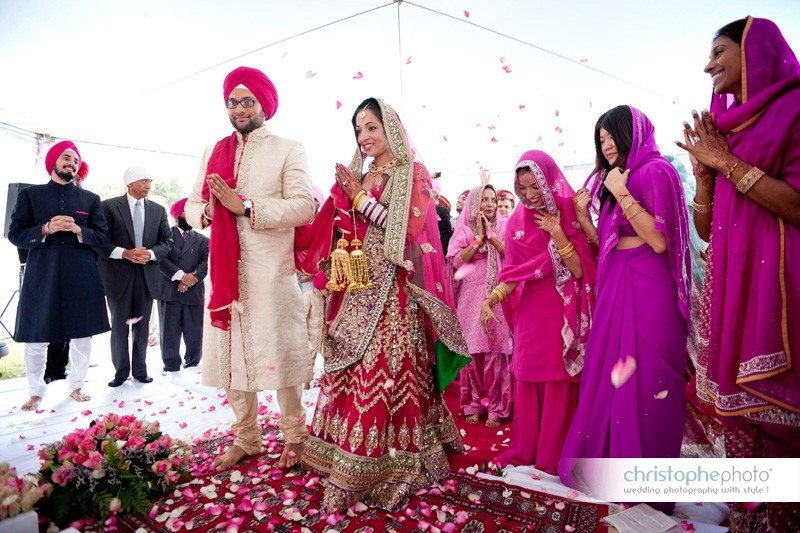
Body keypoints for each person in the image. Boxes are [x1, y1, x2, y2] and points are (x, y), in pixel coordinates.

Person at [295, 97, 468, 511]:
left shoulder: (413, 174)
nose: (364, 137)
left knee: (385, 366)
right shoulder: (362, 174)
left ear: (390, 129)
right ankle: (341, 451)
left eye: (371, 127)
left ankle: (387, 462)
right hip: (357, 287)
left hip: (394, 291)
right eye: (358, 129)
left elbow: (405, 229)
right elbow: (339, 227)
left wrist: (358, 199)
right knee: (350, 363)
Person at [676, 17, 800, 530]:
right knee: (737, 412)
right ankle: (756, 514)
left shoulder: (793, 110)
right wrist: (705, 177)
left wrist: (724, 163)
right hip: (731, 287)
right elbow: (707, 230)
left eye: (720, 51)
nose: (709, 65)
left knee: (779, 417)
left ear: (755, 51)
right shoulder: (722, 129)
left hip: (780, 290)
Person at [558, 106, 691, 515]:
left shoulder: (656, 172)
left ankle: (650, 486)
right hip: (619, 284)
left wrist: (622, 192)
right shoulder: (620, 179)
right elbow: (611, 241)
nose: (606, 144)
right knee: (614, 376)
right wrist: (583, 216)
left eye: (612, 134)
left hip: (650, 288)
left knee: (649, 377)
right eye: (600, 139)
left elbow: (660, 241)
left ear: (633, 132)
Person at [184, 66, 316, 471]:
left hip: (269, 272)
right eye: (232, 102)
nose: (239, 108)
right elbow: (190, 208)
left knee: (281, 352)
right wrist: (208, 210)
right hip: (224, 274)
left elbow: (304, 206)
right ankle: (247, 437)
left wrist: (247, 207)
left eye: (247, 101)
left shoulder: (287, 149)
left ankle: (294, 437)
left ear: (264, 105)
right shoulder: (213, 151)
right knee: (230, 355)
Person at [479, 150, 596, 473]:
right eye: (522, 188)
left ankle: (551, 455)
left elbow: (580, 269)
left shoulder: (569, 210)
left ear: (548, 181)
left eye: (534, 187)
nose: (529, 196)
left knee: (558, 379)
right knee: (528, 376)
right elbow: (514, 273)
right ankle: (526, 448)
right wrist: (493, 297)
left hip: (561, 311)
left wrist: (557, 232)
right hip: (530, 312)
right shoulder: (517, 220)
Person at [9, 141, 110, 410]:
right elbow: (15, 234)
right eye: (66, 158)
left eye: (76, 161)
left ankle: (76, 385)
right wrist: (45, 228)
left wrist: (79, 230)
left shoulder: (90, 199)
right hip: (42, 275)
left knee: (81, 336)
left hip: (81, 275)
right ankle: (35, 391)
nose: (72, 163)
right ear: (53, 161)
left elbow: (102, 237)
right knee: (36, 335)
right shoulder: (31, 195)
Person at [97, 167, 173, 387]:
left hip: (146, 275)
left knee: (142, 325)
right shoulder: (108, 207)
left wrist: (149, 254)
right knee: (120, 326)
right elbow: (100, 241)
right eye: (144, 181)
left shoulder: (158, 210)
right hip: (118, 276)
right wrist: (125, 253)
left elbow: (167, 241)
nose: (149, 186)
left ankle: (140, 370)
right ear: (129, 183)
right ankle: (121, 373)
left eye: (150, 181)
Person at [447, 184, 512, 427]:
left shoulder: (504, 225)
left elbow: (512, 254)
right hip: (470, 294)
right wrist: (476, 241)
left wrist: (491, 237)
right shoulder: (464, 227)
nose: (490, 204)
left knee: (496, 349)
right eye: (484, 199)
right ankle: (473, 403)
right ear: (475, 203)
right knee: (473, 351)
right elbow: (455, 260)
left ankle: (497, 406)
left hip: (497, 291)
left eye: (493, 200)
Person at [157, 198, 209, 371]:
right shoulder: (165, 236)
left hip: (194, 291)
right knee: (169, 329)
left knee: (194, 328)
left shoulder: (202, 240)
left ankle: (193, 359)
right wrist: (181, 277)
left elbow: (205, 263)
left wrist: (191, 280)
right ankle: (171, 363)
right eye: (189, 213)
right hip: (169, 290)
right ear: (178, 216)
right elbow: (161, 259)